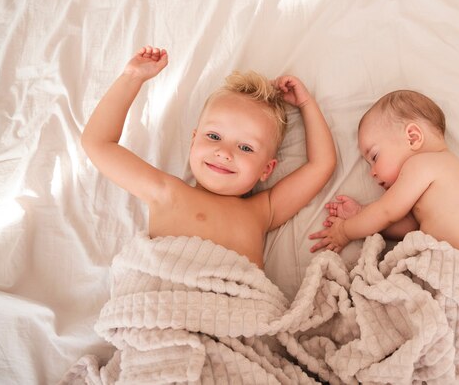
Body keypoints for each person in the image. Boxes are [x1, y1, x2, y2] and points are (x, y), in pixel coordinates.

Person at [82, 46, 336, 269]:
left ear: (266, 170)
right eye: (214, 136)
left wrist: (306, 104)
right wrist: (131, 78)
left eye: (246, 148)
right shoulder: (167, 192)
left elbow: (321, 165)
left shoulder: (263, 210)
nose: (224, 153)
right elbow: (98, 143)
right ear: (194, 141)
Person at [309, 89, 459, 269]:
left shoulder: (423, 164)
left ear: (412, 137)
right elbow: (409, 227)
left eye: (375, 157)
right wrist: (361, 213)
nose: (373, 172)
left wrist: (345, 231)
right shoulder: (440, 173)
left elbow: (386, 212)